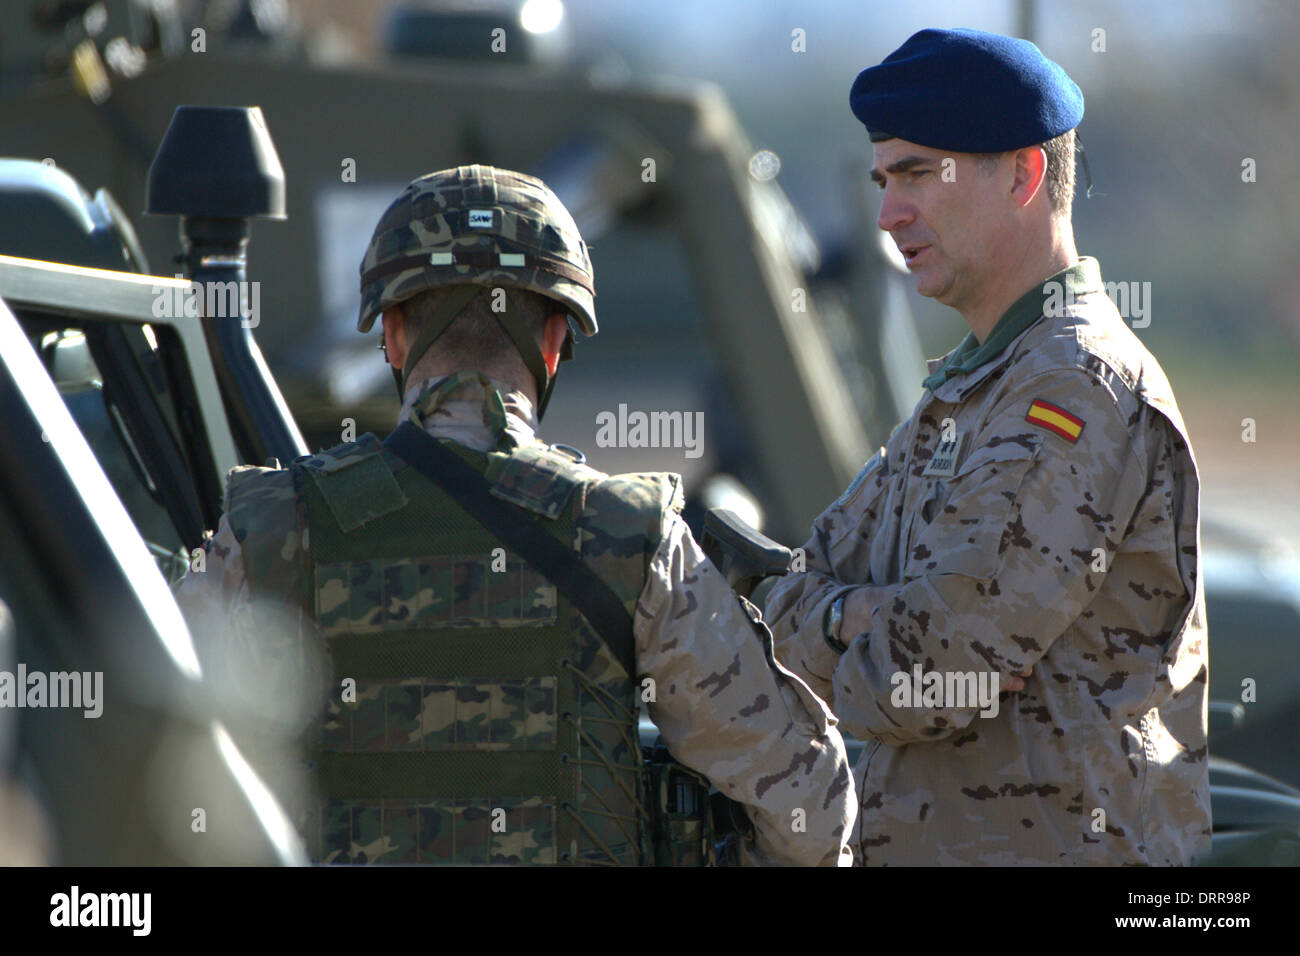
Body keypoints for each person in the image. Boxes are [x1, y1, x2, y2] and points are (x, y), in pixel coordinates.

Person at [174, 164, 855, 866]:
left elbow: (152, 764)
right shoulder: (630, 536)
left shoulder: (271, 528)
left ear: (395, 334)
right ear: (554, 339)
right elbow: (811, 814)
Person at [765, 29, 1210, 865]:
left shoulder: (1073, 387)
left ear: (1024, 174)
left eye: (919, 174)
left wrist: (852, 623)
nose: (889, 214)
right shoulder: (972, 387)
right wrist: (855, 615)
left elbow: (929, 669)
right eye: (883, 180)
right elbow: (783, 595)